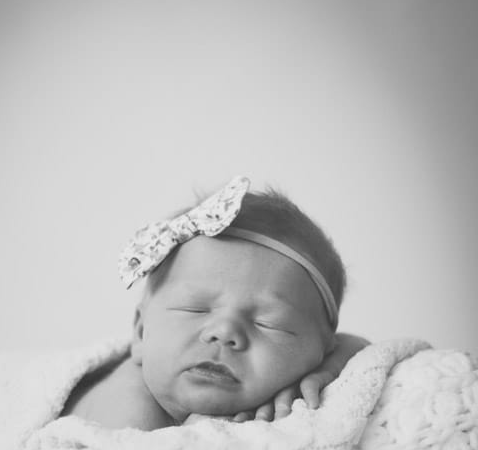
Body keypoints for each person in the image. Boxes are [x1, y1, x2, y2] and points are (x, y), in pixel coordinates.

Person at [64, 176, 367, 430]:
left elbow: (369, 357)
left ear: (319, 352)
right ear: (142, 333)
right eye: (195, 309)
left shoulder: (315, 368)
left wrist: (330, 369)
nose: (224, 331)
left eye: (269, 324)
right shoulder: (128, 413)